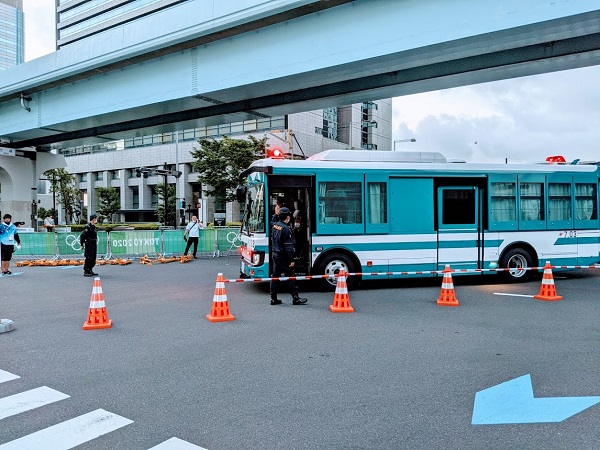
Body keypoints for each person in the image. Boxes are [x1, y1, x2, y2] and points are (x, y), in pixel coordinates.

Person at [269, 207, 307, 306]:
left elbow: (271, 222)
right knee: (291, 276)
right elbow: (288, 246)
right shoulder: (285, 228)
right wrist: (292, 259)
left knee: (275, 277)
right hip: (284, 256)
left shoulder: (275, 225)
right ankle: (296, 298)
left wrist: (276, 214)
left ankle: (273, 298)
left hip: (276, 255)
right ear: (288, 217)